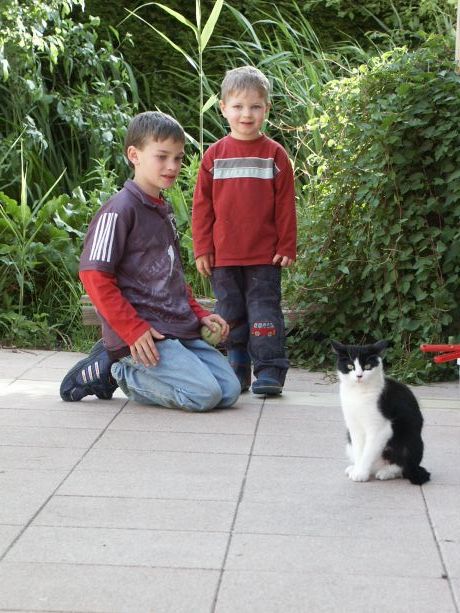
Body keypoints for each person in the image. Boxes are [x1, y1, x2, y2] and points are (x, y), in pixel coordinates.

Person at [60, 111, 241, 411]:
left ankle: (133, 364)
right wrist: (131, 329)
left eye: (178, 158)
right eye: (162, 156)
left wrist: (199, 314)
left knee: (229, 391)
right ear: (134, 155)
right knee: (204, 395)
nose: (172, 166)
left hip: (178, 328)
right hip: (143, 334)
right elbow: (94, 275)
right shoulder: (119, 211)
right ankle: (115, 368)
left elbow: (171, 276)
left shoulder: (162, 210)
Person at [192, 66, 297, 396]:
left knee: (265, 313)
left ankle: (269, 370)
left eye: (255, 106)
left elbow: (285, 205)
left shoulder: (275, 155)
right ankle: (236, 367)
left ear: (267, 109)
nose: (246, 114)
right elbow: (202, 207)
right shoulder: (214, 156)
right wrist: (202, 248)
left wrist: (287, 245)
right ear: (224, 108)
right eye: (238, 106)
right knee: (230, 313)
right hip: (223, 257)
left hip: (264, 256)